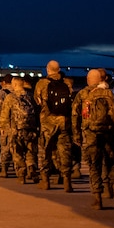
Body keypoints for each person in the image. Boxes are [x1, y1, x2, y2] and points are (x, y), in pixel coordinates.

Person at [73, 69, 114, 208]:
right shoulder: (109, 93)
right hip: (109, 132)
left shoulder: (83, 94)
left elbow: (75, 115)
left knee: (94, 166)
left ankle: (98, 198)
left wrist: (77, 135)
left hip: (91, 134)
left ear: (88, 80)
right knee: (112, 163)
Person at [34, 61, 73, 191]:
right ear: (59, 69)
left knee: (45, 150)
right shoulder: (66, 83)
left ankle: (45, 181)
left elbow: (37, 101)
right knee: (64, 150)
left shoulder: (42, 84)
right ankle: (67, 180)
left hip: (48, 122)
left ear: (47, 69)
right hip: (64, 121)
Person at [0, 76, 39, 184]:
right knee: (31, 150)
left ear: (15, 85)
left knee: (17, 153)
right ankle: (31, 167)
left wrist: (2, 127)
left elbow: (4, 113)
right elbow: (37, 112)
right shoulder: (30, 96)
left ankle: (22, 174)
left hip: (16, 130)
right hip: (31, 129)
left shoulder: (10, 97)